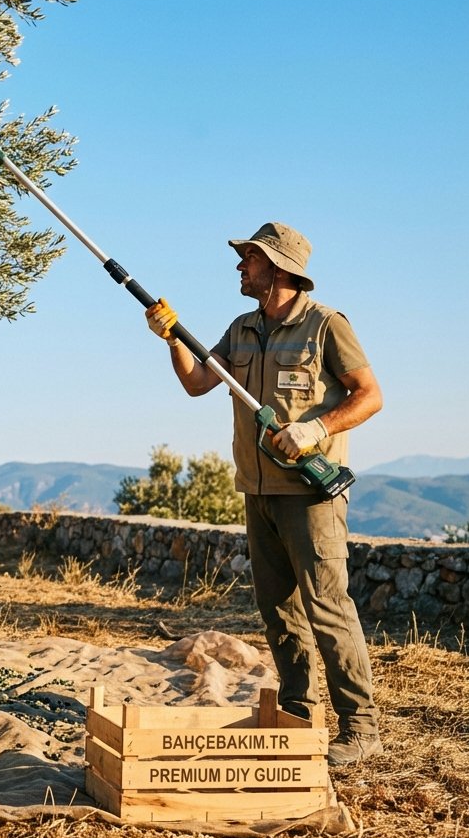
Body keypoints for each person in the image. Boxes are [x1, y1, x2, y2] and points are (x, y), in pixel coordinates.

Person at [145, 221, 384, 766]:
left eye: (248, 258)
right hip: (258, 491)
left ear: (277, 269)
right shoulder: (241, 329)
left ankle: (360, 728)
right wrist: (172, 339)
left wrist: (315, 429)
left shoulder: (326, 326)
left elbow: (370, 396)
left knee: (328, 608)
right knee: (278, 612)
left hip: (310, 494)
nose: (240, 266)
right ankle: (298, 714)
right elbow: (197, 383)